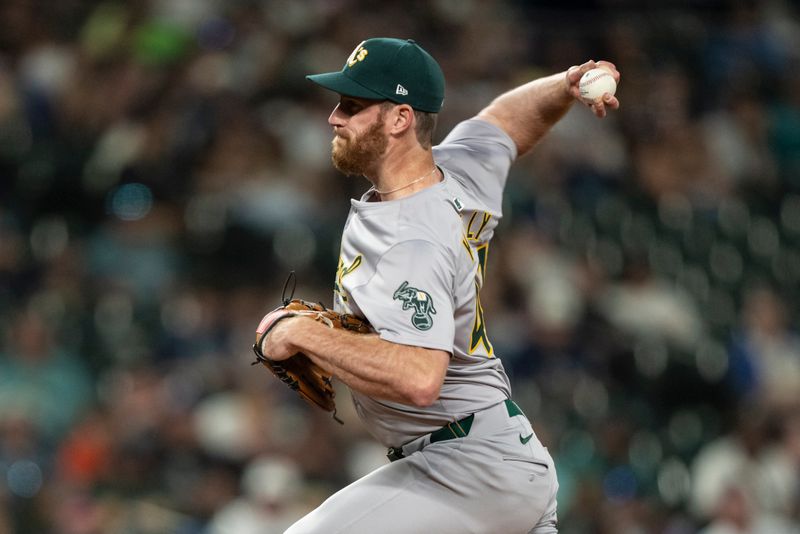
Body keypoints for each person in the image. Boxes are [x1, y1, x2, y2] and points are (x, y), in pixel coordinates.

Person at [258, 37, 619, 533]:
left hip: (466, 470)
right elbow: (508, 122)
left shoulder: (411, 242)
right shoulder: (459, 170)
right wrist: (566, 85)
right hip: (498, 458)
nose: (334, 117)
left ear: (400, 119)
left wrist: (301, 333)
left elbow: (420, 379)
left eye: (353, 105)